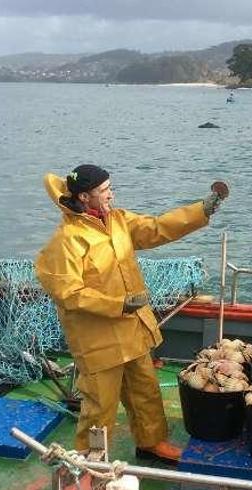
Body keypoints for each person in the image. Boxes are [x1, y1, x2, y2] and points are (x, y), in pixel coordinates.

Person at [35, 164, 222, 463]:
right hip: (97, 340)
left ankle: (151, 443)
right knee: (100, 406)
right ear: (84, 197)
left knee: (145, 391)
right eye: (105, 190)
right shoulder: (67, 240)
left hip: (131, 331)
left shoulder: (118, 221)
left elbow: (158, 227)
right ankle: (92, 459)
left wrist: (202, 210)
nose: (112, 194)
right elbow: (68, 292)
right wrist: (118, 305)